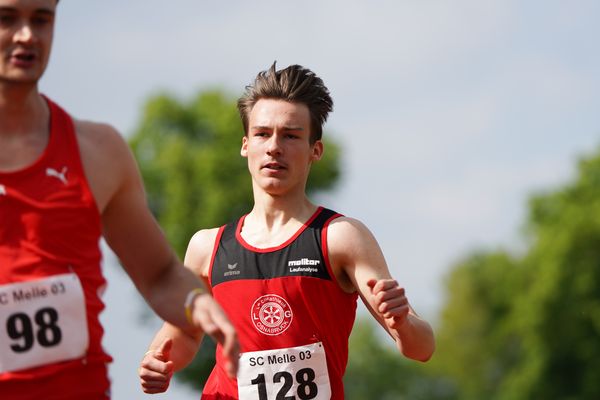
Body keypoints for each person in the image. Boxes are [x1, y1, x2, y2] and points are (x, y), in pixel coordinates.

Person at [138, 62, 435, 399]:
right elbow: (185, 335)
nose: (274, 146)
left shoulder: (340, 237)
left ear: (315, 150)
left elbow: (421, 348)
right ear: (245, 145)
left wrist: (401, 323)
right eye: (262, 133)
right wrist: (156, 362)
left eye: (291, 135)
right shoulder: (208, 247)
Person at [0, 1, 239, 398]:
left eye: (41, 19)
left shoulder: (99, 150)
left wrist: (199, 306)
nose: (27, 34)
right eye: (7, 18)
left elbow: (160, 273)